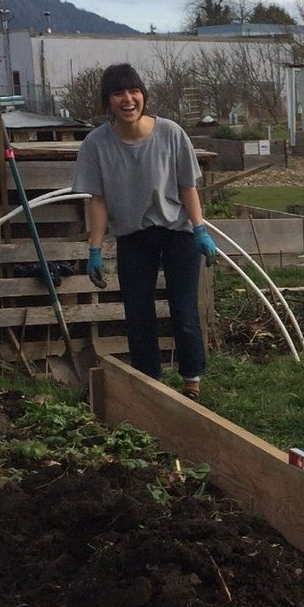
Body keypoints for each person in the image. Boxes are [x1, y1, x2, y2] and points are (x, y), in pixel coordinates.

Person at [73, 63, 218, 400]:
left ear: (143, 95)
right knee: (138, 310)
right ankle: (149, 383)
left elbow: (187, 187)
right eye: (118, 93)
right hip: (133, 236)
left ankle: (192, 381)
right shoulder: (96, 145)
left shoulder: (170, 133)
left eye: (133, 91)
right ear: (107, 102)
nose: (127, 99)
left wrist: (200, 230)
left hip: (177, 230)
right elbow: (98, 200)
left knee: (183, 308)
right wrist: (94, 250)